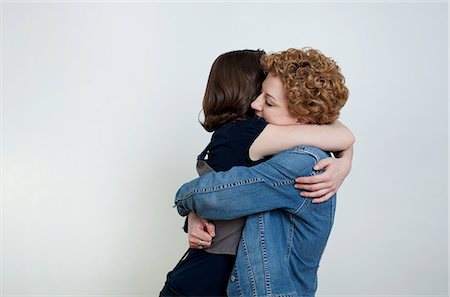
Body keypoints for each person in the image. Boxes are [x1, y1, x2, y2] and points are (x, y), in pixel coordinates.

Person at [161, 49, 353, 296]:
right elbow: (340, 133)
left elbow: (212, 196)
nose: (255, 104)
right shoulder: (288, 148)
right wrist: (346, 157)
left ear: (303, 118)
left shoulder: (301, 162)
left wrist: (186, 202)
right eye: (258, 92)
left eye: (269, 101)